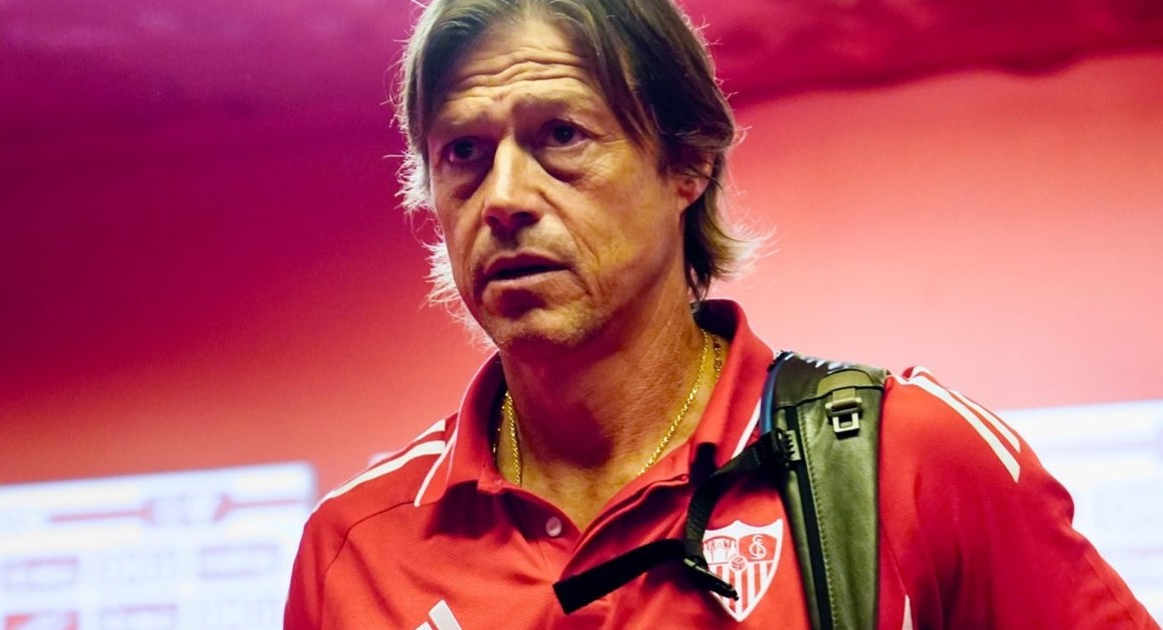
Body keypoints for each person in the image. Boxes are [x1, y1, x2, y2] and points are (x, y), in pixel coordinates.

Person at [284, 0, 1159, 628]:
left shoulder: (904, 459)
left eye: (561, 136)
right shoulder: (355, 548)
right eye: (464, 152)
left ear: (687, 164)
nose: (504, 197)